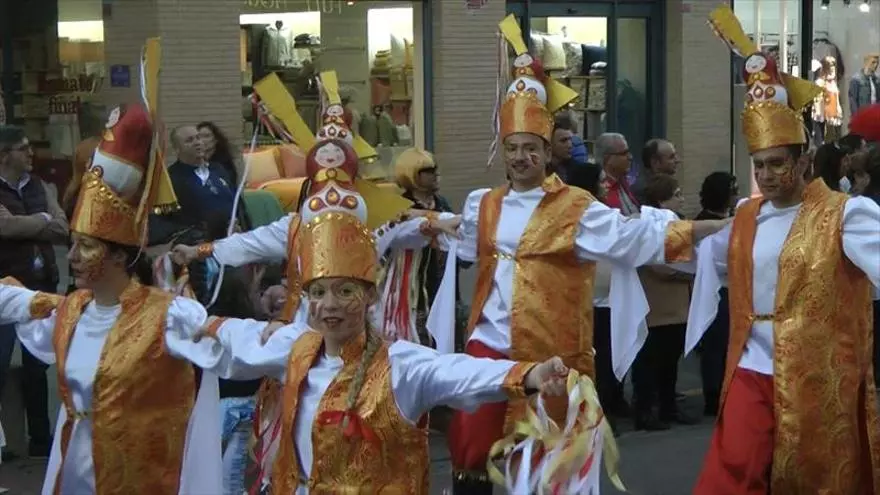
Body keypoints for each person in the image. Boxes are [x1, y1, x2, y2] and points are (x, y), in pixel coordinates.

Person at [434, 15, 730, 493]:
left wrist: (704, 228)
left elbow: (631, 238)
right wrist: (422, 224)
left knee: (546, 464)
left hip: (550, 354)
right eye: (512, 147)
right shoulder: (485, 204)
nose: (520, 157)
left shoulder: (575, 208)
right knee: (474, 458)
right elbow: (460, 238)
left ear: (548, 151)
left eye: (531, 147)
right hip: (488, 351)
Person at [187, 206, 571, 494]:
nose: (330, 305)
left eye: (345, 291)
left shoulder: (401, 364)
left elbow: (459, 372)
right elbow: (236, 336)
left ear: (369, 296)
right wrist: (182, 315)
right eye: (318, 293)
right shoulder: (293, 347)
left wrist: (530, 375)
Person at [0, 39, 225, 494]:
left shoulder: (167, 316)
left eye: (87, 248)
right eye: (75, 246)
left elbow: (228, 342)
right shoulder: (70, 312)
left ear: (121, 256)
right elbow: (15, 301)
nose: (75, 258)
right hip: (76, 473)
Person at [690, 7, 880, 492]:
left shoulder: (844, 215)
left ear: (805, 159)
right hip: (752, 367)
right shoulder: (747, 217)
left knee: (811, 480)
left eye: (778, 162)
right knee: (733, 474)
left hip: (819, 374)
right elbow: (701, 253)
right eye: (760, 165)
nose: (769, 174)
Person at [171, 71, 458, 326]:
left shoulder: (372, 229)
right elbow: (246, 244)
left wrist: (445, 221)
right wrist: (197, 252)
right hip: (308, 327)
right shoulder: (295, 228)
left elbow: (413, 224)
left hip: (361, 329)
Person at [0, 125, 68, 458]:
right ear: (3, 155)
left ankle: (41, 439)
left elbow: (62, 227)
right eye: (22, 148)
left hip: (43, 285)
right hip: (6, 287)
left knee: (37, 364)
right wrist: (42, 219)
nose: (30, 153)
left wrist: (25, 222)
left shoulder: (42, 185)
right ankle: (5, 444)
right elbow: (3, 227)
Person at [630, 174, 697, 430]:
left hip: (677, 306)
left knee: (670, 362)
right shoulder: (649, 225)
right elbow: (659, 263)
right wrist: (687, 273)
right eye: (676, 194)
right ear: (661, 199)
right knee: (650, 362)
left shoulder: (677, 223)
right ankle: (645, 410)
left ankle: (668, 406)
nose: (681, 199)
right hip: (656, 306)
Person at [382, 147, 457, 347]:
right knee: (417, 337)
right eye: (429, 170)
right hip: (411, 289)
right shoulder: (399, 206)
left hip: (440, 278)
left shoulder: (441, 203)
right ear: (413, 174)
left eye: (435, 169)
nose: (436, 174)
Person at [693, 171, 738, 417]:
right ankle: (713, 395)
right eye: (733, 190)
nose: (737, 195)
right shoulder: (705, 222)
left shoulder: (733, 218)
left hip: (735, 288)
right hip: (715, 288)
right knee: (714, 345)